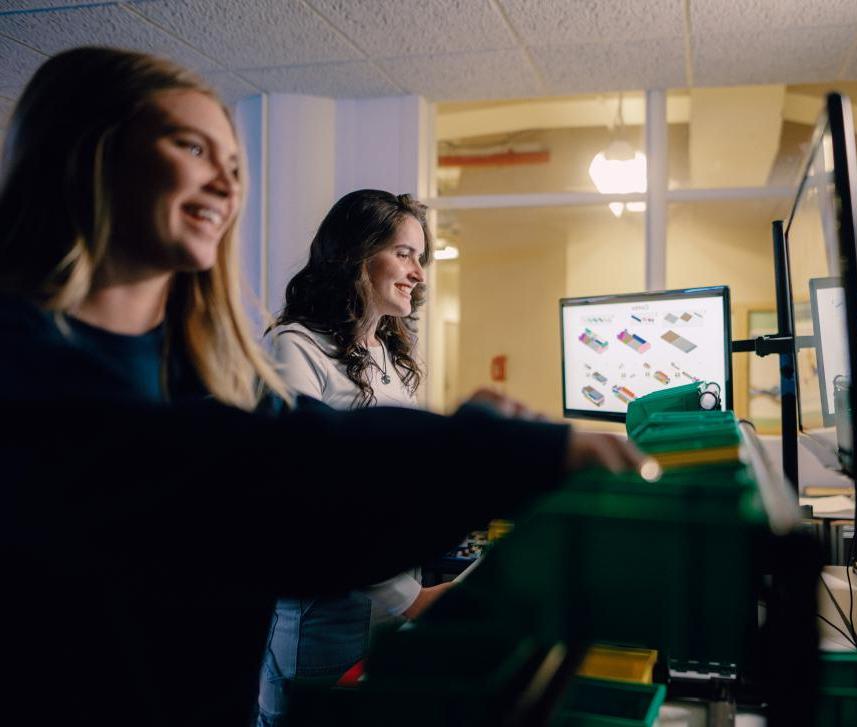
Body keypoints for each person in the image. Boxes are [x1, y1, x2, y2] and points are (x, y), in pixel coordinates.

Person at [0, 46, 644, 726]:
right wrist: (496, 451)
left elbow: (290, 465)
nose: (226, 182)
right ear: (88, 154)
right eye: (192, 147)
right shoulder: (26, 362)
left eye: (236, 165)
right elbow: (267, 474)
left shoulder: (200, 364)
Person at [257, 190, 449, 725]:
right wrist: (409, 599)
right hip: (329, 616)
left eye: (421, 258)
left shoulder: (386, 355)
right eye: (405, 253)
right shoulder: (294, 347)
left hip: (389, 600)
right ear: (355, 254)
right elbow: (309, 500)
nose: (418, 273)